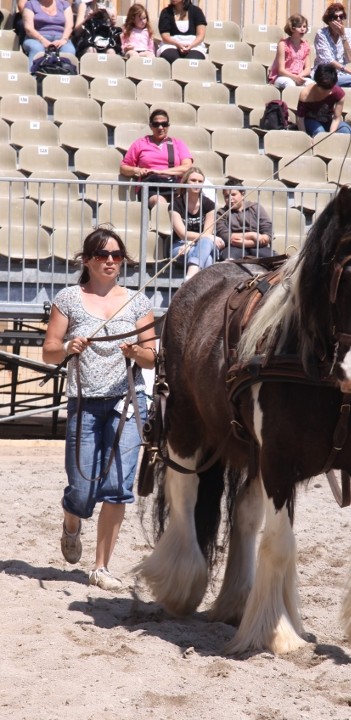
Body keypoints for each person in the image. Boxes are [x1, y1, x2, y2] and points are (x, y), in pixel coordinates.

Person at [42, 227, 156, 591]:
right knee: (81, 490)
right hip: (84, 403)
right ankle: (71, 521)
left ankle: (101, 567)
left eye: (117, 256)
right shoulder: (69, 299)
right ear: (88, 260)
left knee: (118, 487)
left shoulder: (137, 301)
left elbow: (153, 357)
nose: (111, 261)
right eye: (103, 255)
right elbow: (49, 351)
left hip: (127, 401)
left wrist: (137, 353)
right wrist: (69, 348)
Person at [120, 108, 193, 209]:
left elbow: (187, 168)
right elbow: (124, 168)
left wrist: (160, 172)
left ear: (168, 125)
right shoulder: (140, 143)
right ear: (151, 126)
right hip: (150, 188)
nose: (160, 127)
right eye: (156, 124)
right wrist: (137, 170)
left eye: (164, 124)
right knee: (160, 204)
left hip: (175, 187)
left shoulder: (178, 143)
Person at [169, 166, 225, 279]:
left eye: (200, 181)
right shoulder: (175, 204)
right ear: (185, 182)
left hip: (203, 245)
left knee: (205, 242)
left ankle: (190, 276)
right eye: (193, 180)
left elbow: (206, 234)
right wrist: (210, 238)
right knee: (207, 258)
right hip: (181, 245)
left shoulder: (209, 205)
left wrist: (195, 242)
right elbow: (182, 234)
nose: (197, 183)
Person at [216, 177, 274, 261]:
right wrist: (253, 235)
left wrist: (247, 243)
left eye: (233, 194)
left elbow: (267, 234)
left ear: (242, 194)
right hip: (233, 248)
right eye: (226, 196)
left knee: (276, 260)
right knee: (229, 260)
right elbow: (226, 236)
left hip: (258, 246)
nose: (230, 199)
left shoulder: (256, 208)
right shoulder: (222, 213)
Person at [296, 63, 351, 137]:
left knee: (348, 132)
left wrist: (330, 135)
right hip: (310, 120)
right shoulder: (306, 94)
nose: (328, 91)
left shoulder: (339, 93)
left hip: (328, 120)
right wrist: (304, 136)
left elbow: (336, 118)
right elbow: (300, 118)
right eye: (324, 89)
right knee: (320, 132)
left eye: (330, 88)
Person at [313, 2, 351, 88]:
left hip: (341, 75)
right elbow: (328, 60)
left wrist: (343, 36)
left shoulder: (347, 33)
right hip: (325, 74)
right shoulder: (321, 34)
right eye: (335, 17)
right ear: (329, 20)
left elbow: (349, 59)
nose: (339, 20)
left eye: (341, 17)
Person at [22, 0, 77, 69]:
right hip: (36, 38)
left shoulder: (64, 4)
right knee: (37, 48)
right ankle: (32, 76)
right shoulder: (31, 4)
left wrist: (63, 39)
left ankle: (66, 74)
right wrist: (42, 40)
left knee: (69, 50)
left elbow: (69, 25)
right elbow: (29, 28)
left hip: (61, 38)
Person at [268, 13, 312, 90]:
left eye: (304, 26)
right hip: (282, 77)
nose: (302, 29)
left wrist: (300, 76)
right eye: (299, 26)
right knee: (290, 84)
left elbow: (308, 68)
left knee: (312, 85)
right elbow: (281, 70)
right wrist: (295, 78)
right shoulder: (283, 44)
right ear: (292, 28)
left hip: (299, 76)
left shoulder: (306, 45)